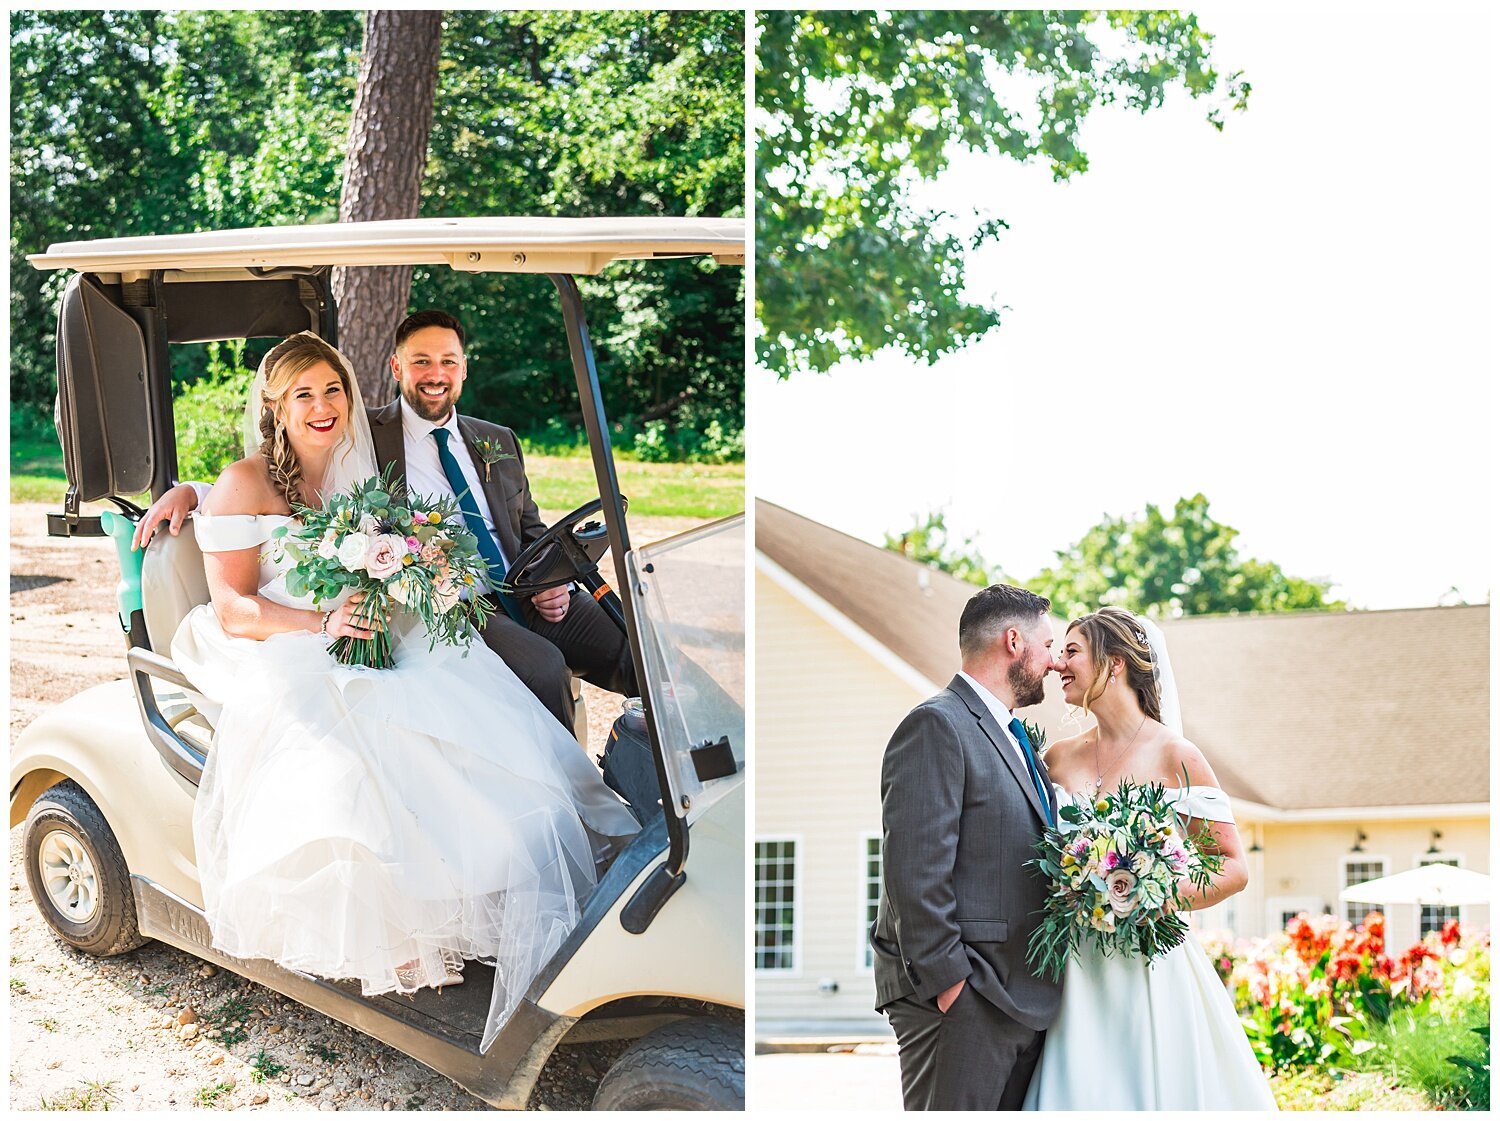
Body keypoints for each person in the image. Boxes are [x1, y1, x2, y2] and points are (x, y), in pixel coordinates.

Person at [168, 332, 639, 1051]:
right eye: (305, 394)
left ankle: (510, 883)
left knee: (471, 701)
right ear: (275, 405)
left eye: (333, 390)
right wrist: (321, 621)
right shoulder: (243, 481)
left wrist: (408, 578)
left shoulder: (361, 465)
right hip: (281, 640)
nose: (324, 406)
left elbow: (399, 544)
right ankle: (411, 930)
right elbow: (234, 607)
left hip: (365, 621)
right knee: (372, 734)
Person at [135, 309, 635, 732]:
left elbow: (528, 527)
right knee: (543, 667)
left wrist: (554, 582)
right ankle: (572, 803)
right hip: (456, 603)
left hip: (527, 592)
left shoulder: (497, 438)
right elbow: (274, 481)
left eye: (447, 361)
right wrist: (192, 492)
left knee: (636, 648)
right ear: (396, 367)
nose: (435, 373)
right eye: (421, 361)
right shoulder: (363, 436)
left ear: (464, 369)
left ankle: (677, 783)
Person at [1022, 605, 1276, 1109]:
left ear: (1114, 664)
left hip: (1148, 968)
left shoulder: (1176, 756)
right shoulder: (1056, 759)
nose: (1056, 664)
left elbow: (1232, 868)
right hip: (1074, 973)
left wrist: (1150, 892)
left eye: (1071, 651)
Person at [870, 583, 1064, 1110]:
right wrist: (951, 986)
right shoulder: (937, 724)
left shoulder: (1013, 736)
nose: (1053, 662)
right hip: (964, 997)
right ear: (1013, 642)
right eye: (1048, 646)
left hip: (1018, 997)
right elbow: (914, 869)